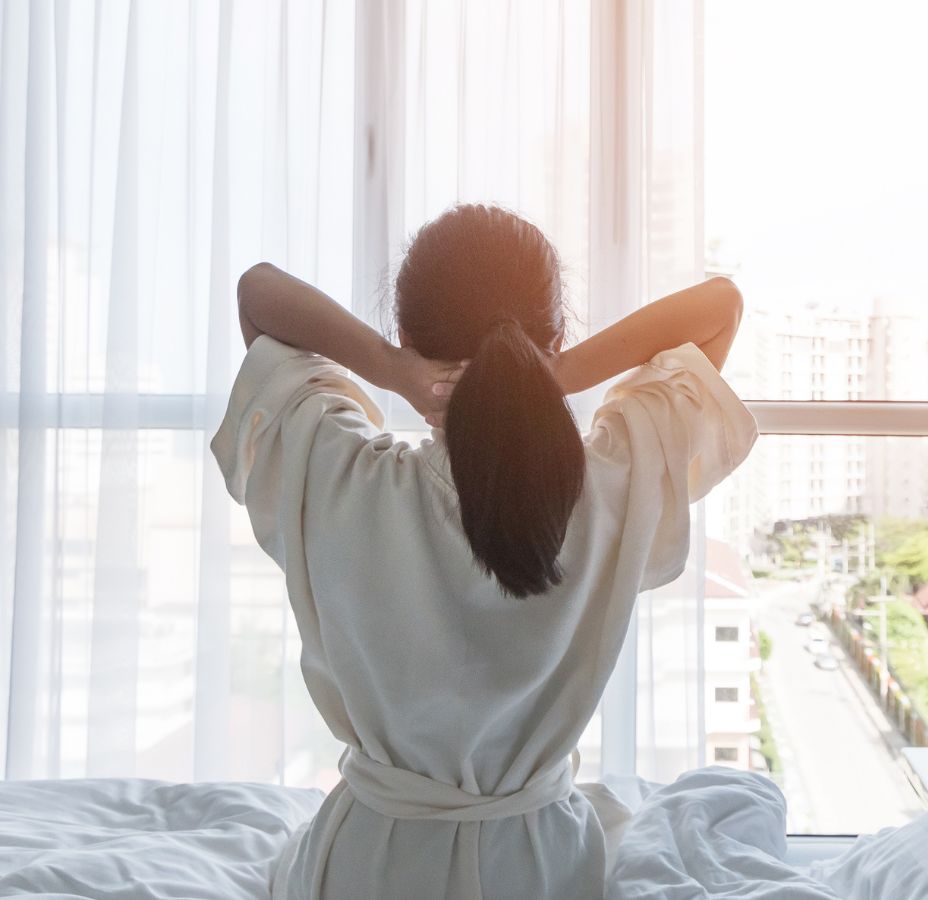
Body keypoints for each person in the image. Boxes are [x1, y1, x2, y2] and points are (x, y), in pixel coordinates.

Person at [211, 203, 757, 899]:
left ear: (407, 332)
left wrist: (388, 366)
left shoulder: (343, 476)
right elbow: (721, 305)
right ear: (556, 334)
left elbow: (257, 291)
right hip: (542, 866)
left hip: (366, 865)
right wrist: (556, 371)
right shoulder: (611, 489)